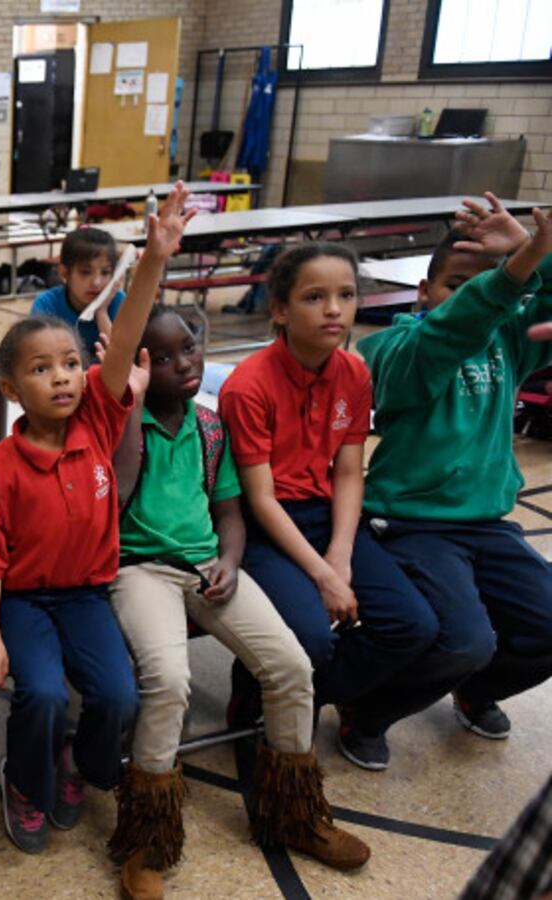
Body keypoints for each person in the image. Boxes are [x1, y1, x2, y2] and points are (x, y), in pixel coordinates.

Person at [0, 183, 192, 857]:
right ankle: (25, 780)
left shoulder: (97, 417)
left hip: (88, 596)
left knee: (118, 696)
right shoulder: (0, 465)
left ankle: (81, 771)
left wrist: (151, 260)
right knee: (40, 697)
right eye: (40, 369)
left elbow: (121, 341)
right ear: (10, 390)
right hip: (27, 603)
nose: (62, 378)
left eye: (68, 364)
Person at [106, 306, 368, 899]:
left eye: (190, 348)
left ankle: (294, 814)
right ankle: (148, 837)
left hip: (209, 567)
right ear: (139, 365)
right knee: (169, 680)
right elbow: (113, 498)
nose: (185, 364)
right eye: (163, 357)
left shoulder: (210, 426)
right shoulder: (121, 422)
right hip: (139, 570)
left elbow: (230, 513)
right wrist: (130, 409)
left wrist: (228, 560)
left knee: (291, 666)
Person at [218, 242, 436, 772]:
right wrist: (323, 575)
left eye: (345, 295)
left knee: (415, 626)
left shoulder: (354, 373)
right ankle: (266, 702)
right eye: (315, 297)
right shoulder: (248, 386)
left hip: (329, 519)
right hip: (269, 527)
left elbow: (347, 471)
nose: (334, 309)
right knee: (311, 635)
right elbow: (261, 499)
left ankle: (291, 700)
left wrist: (340, 554)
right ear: (280, 310)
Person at [358, 198, 552, 742]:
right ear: (423, 291)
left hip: (487, 524)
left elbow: (528, 305)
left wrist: (524, 250)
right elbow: (452, 330)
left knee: (545, 626)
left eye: (485, 283)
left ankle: (479, 689)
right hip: (414, 523)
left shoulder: (508, 340)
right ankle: (368, 710)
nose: (474, 295)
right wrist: (517, 268)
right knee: (464, 640)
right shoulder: (393, 347)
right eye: (455, 284)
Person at [30, 227, 125, 362]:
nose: (96, 283)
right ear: (64, 273)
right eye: (86, 272)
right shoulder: (46, 304)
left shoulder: (119, 301)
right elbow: (45, 357)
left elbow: (121, 360)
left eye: (105, 272)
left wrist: (101, 312)